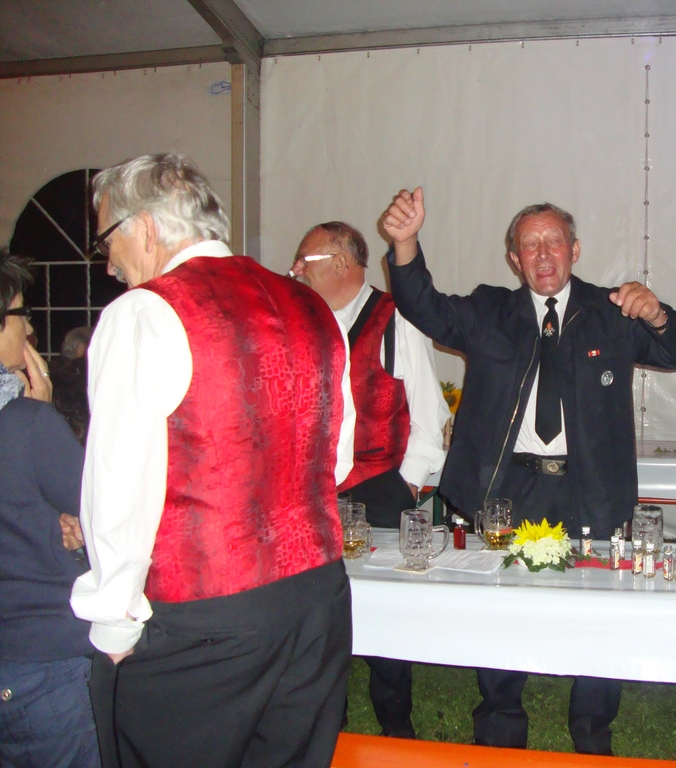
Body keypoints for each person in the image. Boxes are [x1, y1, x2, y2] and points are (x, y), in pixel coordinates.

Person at [382, 187, 676, 755]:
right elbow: (423, 306)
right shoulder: (489, 312)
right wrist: (405, 244)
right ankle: (500, 726)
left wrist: (656, 314)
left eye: (554, 241)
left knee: (600, 608)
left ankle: (592, 730)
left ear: (575, 249)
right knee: (501, 608)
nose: (544, 253)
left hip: (591, 489)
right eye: (530, 245)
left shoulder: (613, 311)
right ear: (514, 259)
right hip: (509, 487)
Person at [69, 153, 356, 768]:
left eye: (107, 240)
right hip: (317, 603)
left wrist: (113, 622)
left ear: (147, 228)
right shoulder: (313, 308)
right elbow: (334, 461)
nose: (109, 262)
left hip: (205, 618)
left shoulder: (143, 312)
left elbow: (119, 490)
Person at [291, 220, 449, 739]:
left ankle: (395, 725)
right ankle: (324, 724)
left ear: (341, 263)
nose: (295, 269)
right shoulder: (300, 320)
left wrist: (406, 486)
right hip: (312, 493)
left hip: (379, 486)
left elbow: (428, 412)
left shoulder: (396, 316)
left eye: (305, 261)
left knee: (386, 613)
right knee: (315, 614)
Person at [0, 250, 100, 767]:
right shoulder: (25, 424)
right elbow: (100, 512)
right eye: (21, 314)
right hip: (42, 661)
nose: (31, 328)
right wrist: (40, 416)